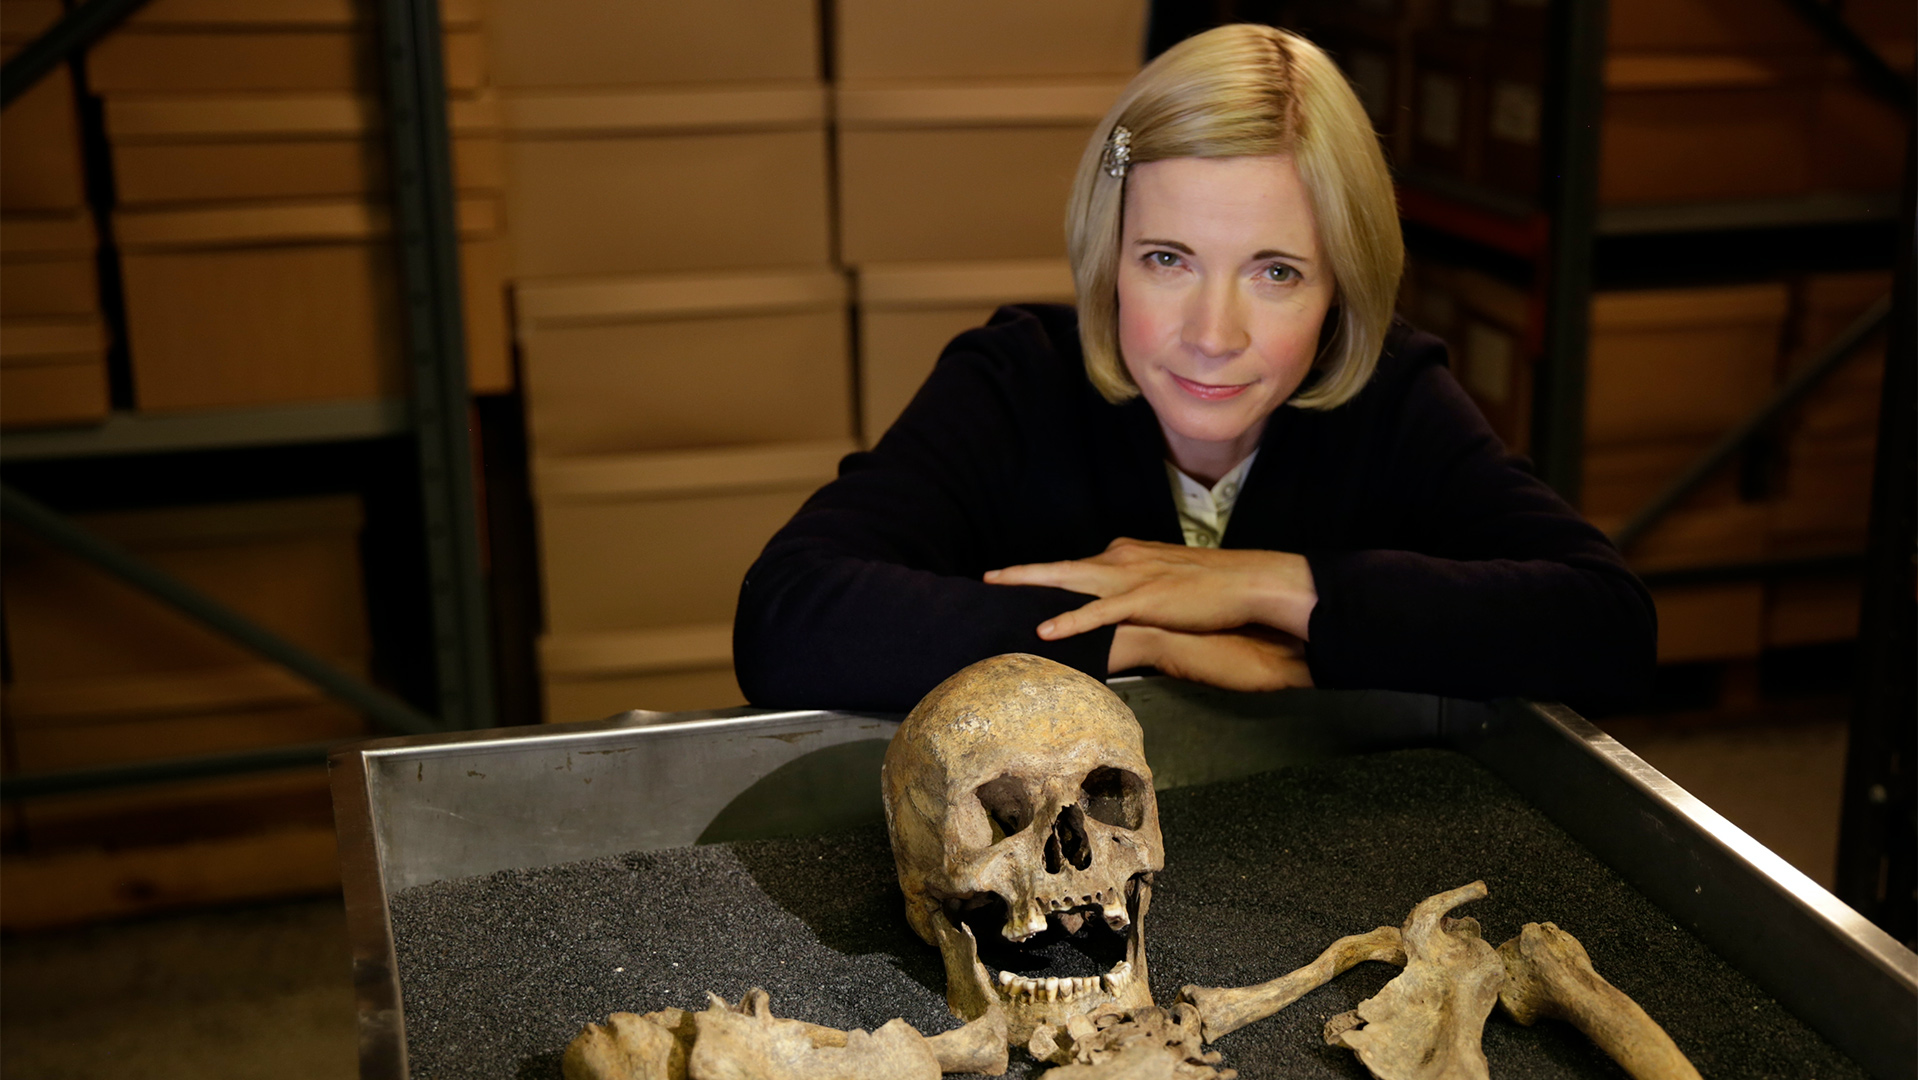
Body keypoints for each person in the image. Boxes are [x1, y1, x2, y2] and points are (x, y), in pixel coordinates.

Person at [733, 23, 1655, 715]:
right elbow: (786, 617)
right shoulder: (1014, 381)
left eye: (1277, 272)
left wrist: (1269, 586)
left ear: (1343, 284)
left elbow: (1606, 629)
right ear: (1109, 255)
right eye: (1166, 260)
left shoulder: (1396, 397)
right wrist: (1144, 638)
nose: (1214, 333)